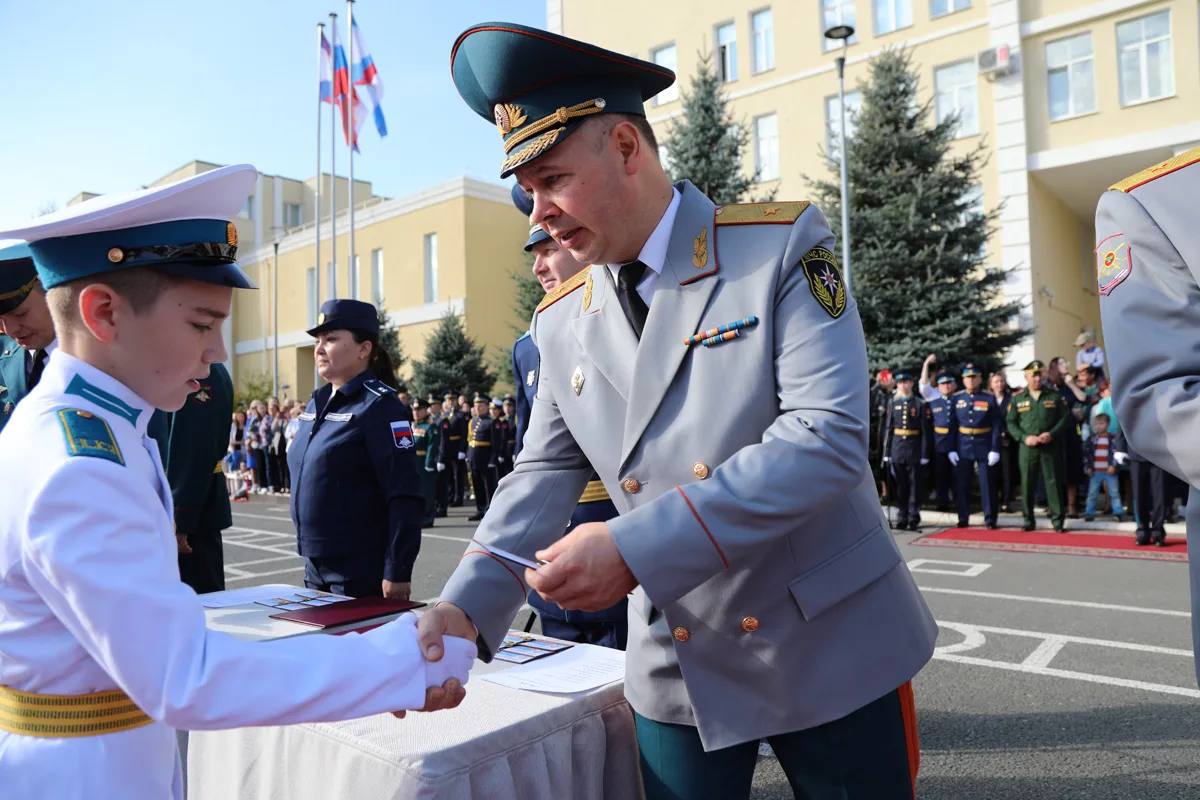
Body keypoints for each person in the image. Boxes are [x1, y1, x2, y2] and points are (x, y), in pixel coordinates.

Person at [420, 24, 936, 800]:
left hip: (830, 636)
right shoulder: (562, 318)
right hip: (679, 650)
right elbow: (545, 471)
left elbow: (825, 439)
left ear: (627, 146)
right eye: (527, 189)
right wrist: (466, 605)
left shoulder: (780, 248)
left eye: (552, 178)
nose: (540, 212)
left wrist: (632, 548)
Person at [0, 165, 473, 799]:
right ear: (104, 313)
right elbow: (183, 675)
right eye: (202, 324)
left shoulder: (96, 428)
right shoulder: (80, 464)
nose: (219, 351)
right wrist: (395, 664)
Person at [511, 184, 628, 648]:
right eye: (533, 252)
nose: (539, 267)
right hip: (556, 539)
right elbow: (534, 458)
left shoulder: (636, 317)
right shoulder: (530, 345)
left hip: (620, 536)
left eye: (549, 249)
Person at [288, 298, 423, 600]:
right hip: (315, 563)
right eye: (318, 341)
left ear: (364, 349)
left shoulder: (379, 406)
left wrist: (397, 569)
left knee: (356, 645)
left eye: (332, 339)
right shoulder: (317, 401)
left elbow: (404, 493)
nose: (320, 349)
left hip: (358, 569)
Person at [150, 362, 235, 594]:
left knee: (201, 604)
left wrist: (181, 519)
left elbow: (193, 446)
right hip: (183, 507)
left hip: (193, 513)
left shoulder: (199, 366)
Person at [1007, 360, 1069, 531]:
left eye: (1039, 374)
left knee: (1053, 483)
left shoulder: (1054, 396)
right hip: (1028, 448)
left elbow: (1064, 419)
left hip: (1050, 446)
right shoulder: (1018, 399)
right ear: (1026, 377)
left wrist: (1052, 434)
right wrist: (1023, 437)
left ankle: (1058, 521)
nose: (1037, 378)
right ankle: (1028, 520)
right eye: (1033, 375)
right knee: (1027, 483)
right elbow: (1011, 423)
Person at [0, 244, 57, 432]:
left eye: (20, 314)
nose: (10, 330)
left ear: (52, 294)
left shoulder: (104, 355)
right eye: (0, 320)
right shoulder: (4, 352)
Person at [950, 364, 1002, 528]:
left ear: (980, 379)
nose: (971, 381)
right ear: (963, 380)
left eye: (974, 377)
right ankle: (963, 518)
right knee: (962, 484)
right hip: (963, 446)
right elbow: (952, 426)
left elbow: (996, 425)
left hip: (983, 444)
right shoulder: (957, 398)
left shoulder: (988, 398)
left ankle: (990, 519)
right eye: (968, 378)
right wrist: (951, 448)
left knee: (987, 484)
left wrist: (995, 449)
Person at [882, 371, 931, 531]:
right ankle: (902, 516)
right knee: (900, 485)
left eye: (907, 382)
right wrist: (887, 452)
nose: (904, 385)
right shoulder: (892, 403)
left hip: (914, 448)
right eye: (901, 382)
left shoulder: (919, 404)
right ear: (897, 384)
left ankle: (913, 516)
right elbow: (889, 429)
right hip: (897, 448)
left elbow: (925, 431)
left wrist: (924, 454)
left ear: (912, 384)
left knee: (914, 484)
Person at [1083, 413, 1125, 523]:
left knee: (1114, 492)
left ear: (1108, 424)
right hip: (1095, 471)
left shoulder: (1113, 439)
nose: (1099, 426)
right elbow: (1087, 454)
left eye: (1101, 423)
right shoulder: (1092, 439)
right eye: (1097, 424)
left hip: (1109, 471)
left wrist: (1114, 466)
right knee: (1092, 493)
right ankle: (1089, 512)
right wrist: (1088, 467)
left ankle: (1118, 513)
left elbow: (1117, 453)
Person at [928, 371, 957, 511]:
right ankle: (942, 502)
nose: (946, 386)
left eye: (949, 383)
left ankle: (959, 502)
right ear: (938, 387)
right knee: (940, 475)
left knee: (957, 475)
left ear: (954, 385)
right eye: (943, 384)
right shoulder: (933, 403)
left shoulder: (959, 401)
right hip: (939, 443)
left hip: (957, 442)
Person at [988, 372, 1017, 513]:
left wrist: (1006, 432)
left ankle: (1006, 501)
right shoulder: (988, 399)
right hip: (990, 441)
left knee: (1007, 472)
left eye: (1001, 381)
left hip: (1006, 441)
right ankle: (994, 499)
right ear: (991, 384)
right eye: (996, 382)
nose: (999, 384)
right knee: (993, 472)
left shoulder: (1011, 399)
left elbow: (1014, 419)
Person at [466, 394, 497, 521]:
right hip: (474, 459)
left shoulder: (491, 422)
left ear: (486, 407)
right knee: (477, 485)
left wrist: (492, 460)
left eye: (481, 406)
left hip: (486, 459)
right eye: (476, 406)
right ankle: (480, 509)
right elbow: (469, 440)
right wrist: (468, 456)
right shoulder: (472, 421)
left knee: (488, 486)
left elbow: (496, 443)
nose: (478, 408)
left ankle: (490, 510)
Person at [411, 398, 438, 528]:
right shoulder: (411, 425)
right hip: (413, 462)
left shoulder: (430, 426)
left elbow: (432, 446)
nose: (416, 412)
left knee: (427, 490)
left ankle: (428, 517)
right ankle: (418, 515)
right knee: (416, 490)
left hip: (424, 462)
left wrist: (429, 462)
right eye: (414, 410)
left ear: (425, 410)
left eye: (419, 410)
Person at [869, 369, 895, 498]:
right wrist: (878, 383)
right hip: (874, 434)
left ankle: (888, 492)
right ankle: (879, 491)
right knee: (875, 464)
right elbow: (871, 399)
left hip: (887, 434)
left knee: (885, 465)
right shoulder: (876, 393)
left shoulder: (894, 395)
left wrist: (890, 388)